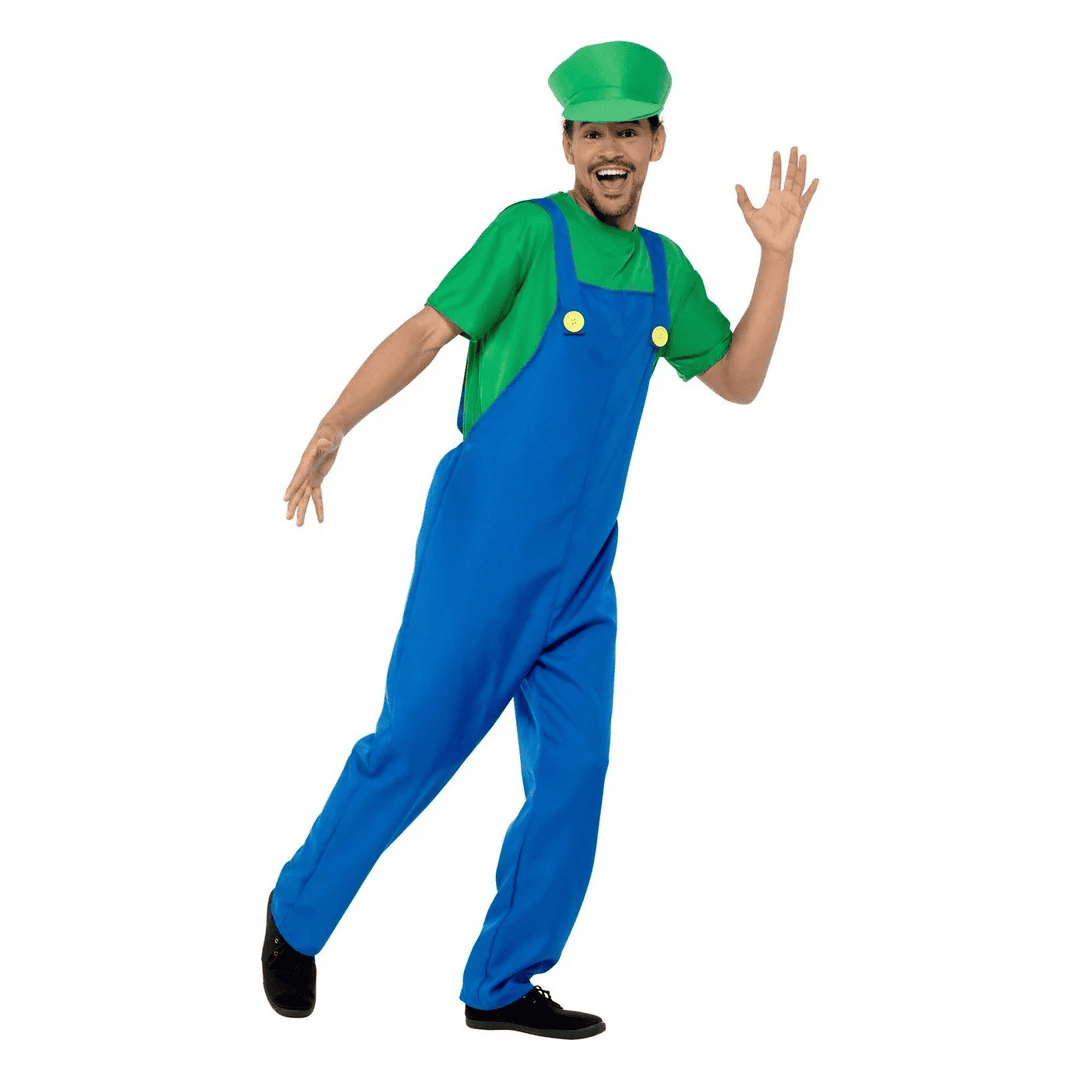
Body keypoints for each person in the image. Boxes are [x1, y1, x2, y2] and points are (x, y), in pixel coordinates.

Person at [261, 39, 818, 1040]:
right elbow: (427, 332)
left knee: (572, 776)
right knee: (414, 747)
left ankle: (501, 982)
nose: (610, 151)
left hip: (581, 577)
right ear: (567, 143)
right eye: (593, 132)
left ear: (657, 143)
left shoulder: (665, 271)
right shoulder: (528, 233)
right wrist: (337, 424)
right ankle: (295, 913)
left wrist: (774, 259)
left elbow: (737, 379)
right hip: (481, 554)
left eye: (628, 132)